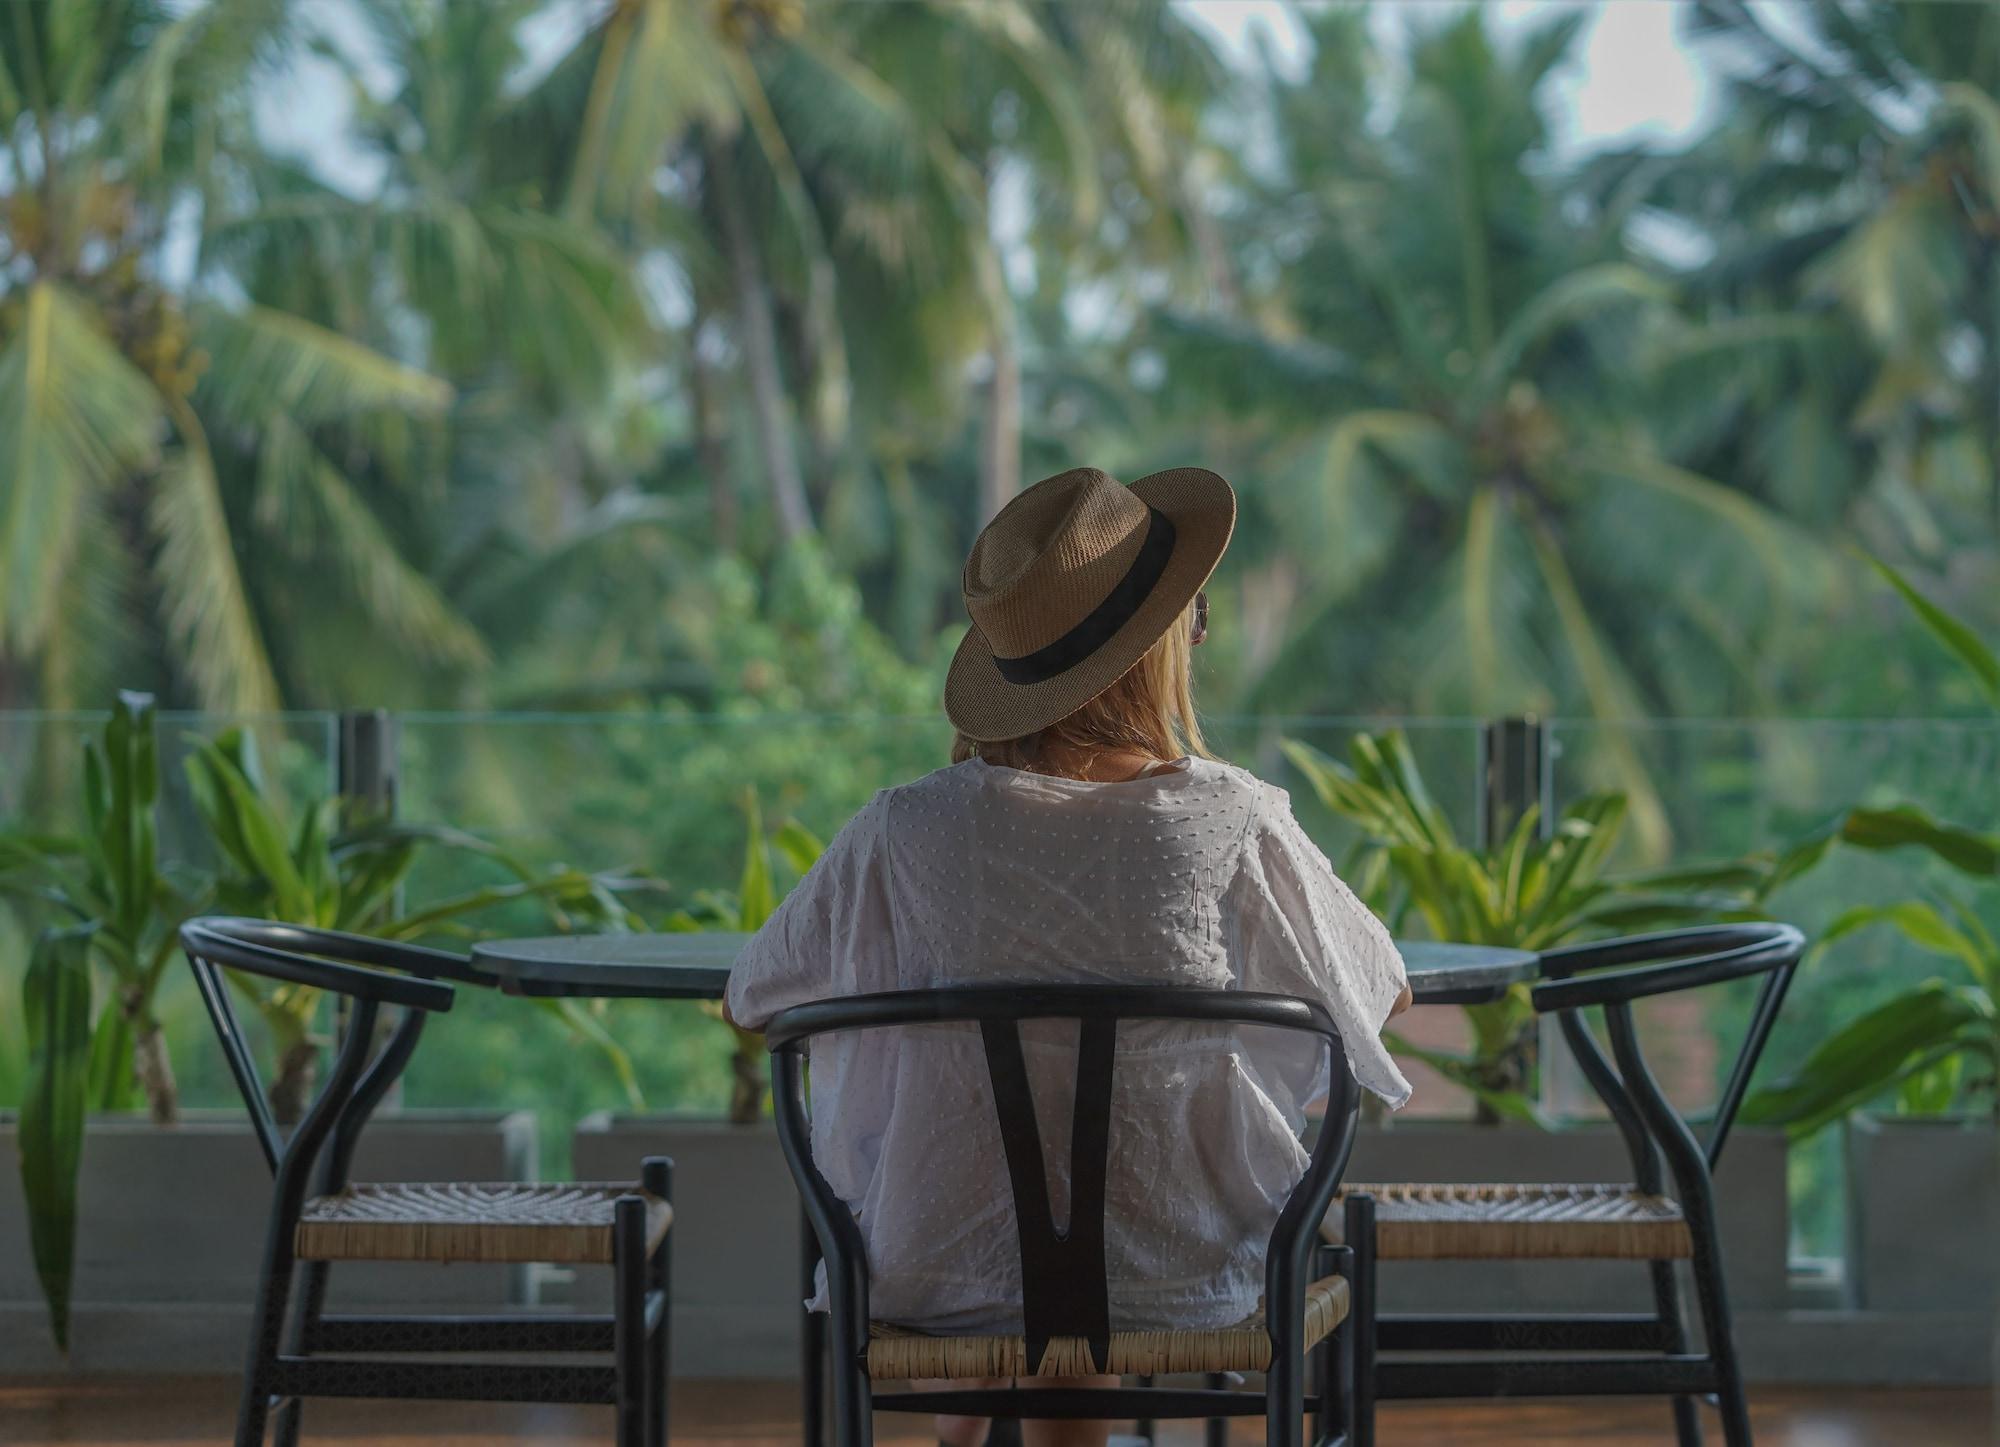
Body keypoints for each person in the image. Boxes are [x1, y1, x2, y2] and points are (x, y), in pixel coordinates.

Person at [726, 465, 1413, 1447]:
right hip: (1182, 1271)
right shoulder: (1233, 823)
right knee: (1104, 1212)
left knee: (1010, 1193)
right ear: (1161, 648)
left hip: (943, 1268)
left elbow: (752, 1002)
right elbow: (1379, 994)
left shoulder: (903, 830)